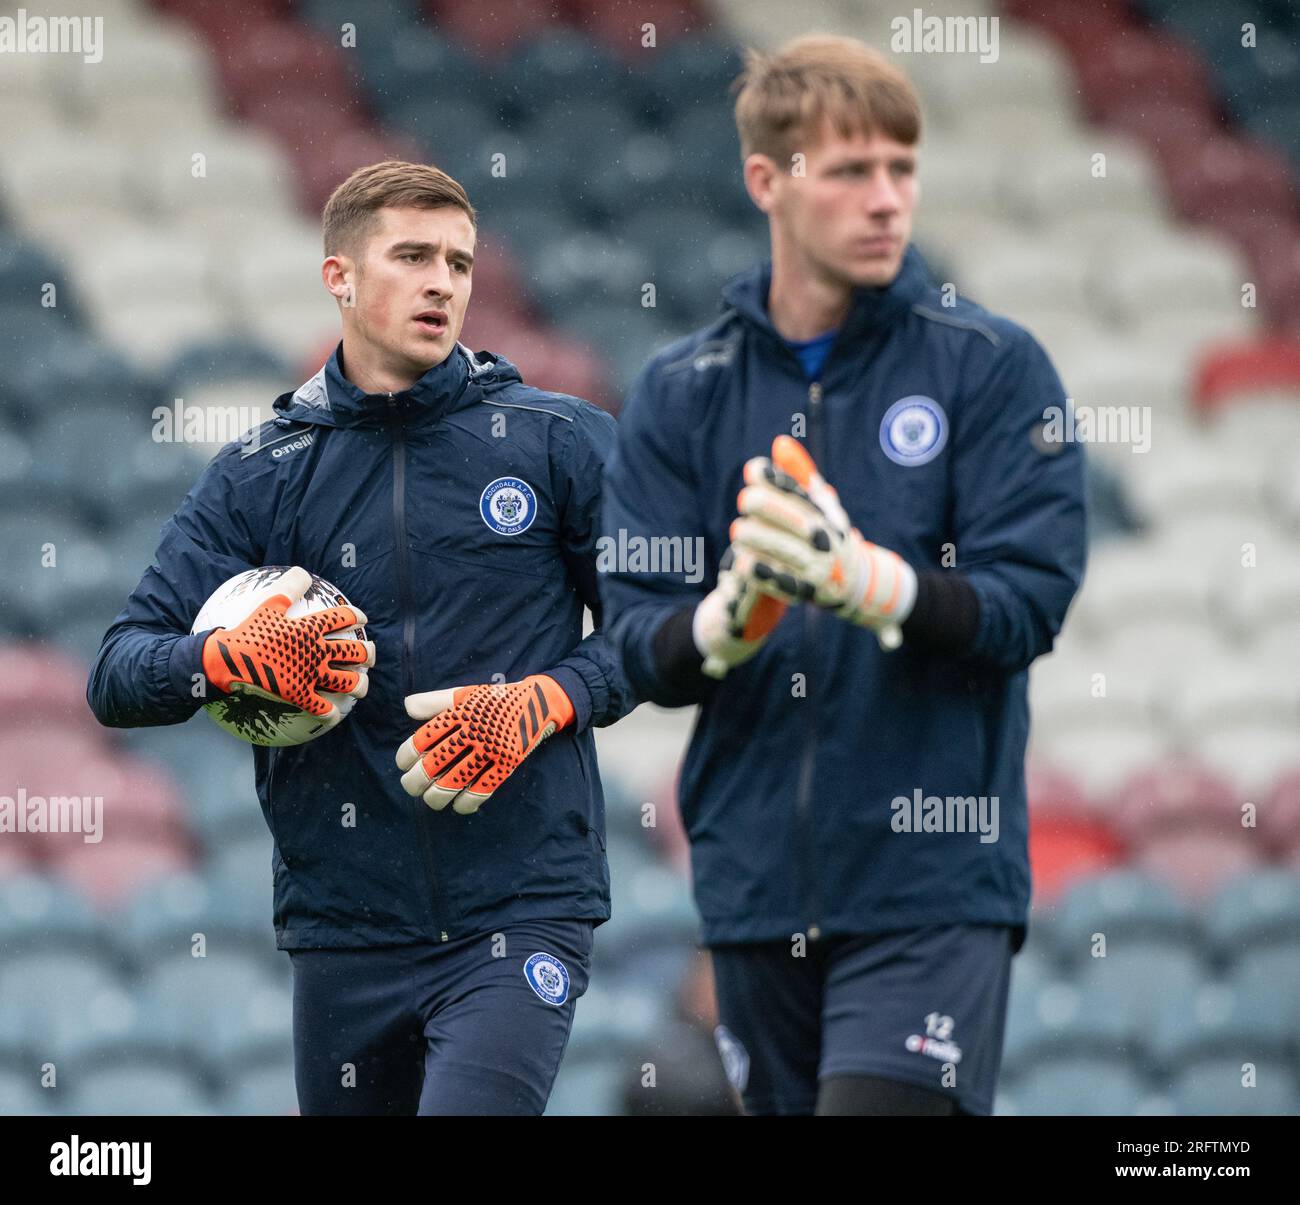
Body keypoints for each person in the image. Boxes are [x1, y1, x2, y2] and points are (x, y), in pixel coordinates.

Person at [599, 35, 1087, 1116]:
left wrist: (870, 582)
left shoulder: (992, 367)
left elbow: (1029, 599)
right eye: (853, 170)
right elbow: (635, 637)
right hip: (753, 889)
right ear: (767, 181)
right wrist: (726, 619)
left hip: (930, 884)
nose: (886, 200)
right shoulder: (683, 390)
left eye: (901, 169)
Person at [87, 159, 635, 1115]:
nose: (442, 284)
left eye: (459, 264)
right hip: (345, 932)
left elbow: (664, 629)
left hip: (519, 915)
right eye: (413, 256)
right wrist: (224, 661)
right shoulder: (260, 472)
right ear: (339, 275)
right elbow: (117, 671)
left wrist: (541, 702)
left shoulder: (558, 441)